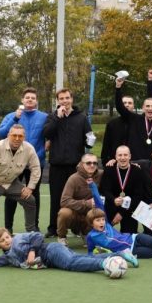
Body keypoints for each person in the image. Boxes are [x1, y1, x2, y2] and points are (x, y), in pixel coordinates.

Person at [43, 88, 93, 238]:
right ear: (58, 101)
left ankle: (77, 228)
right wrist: (57, 118)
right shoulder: (52, 117)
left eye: (67, 98)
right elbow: (46, 133)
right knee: (56, 197)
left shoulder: (81, 118)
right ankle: (53, 228)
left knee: (77, 197)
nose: (65, 101)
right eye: (61, 98)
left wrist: (90, 141)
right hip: (57, 165)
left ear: (72, 99)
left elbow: (89, 138)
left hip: (75, 166)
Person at [0, 88, 47, 236]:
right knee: (11, 194)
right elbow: (1, 133)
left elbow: (50, 137)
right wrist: (15, 118)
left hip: (36, 163)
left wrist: (39, 154)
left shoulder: (44, 117)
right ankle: (8, 227)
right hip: (14, 163)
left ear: (36, 101)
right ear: (22, 100)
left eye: (33, 98)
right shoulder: (12, 116)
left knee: (34, 194)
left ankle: (34, 226)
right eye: (27, 97)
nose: (30, 99)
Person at [0, 228, 131, 274]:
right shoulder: (8, 257)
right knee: (79, 258)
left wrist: (32, 251)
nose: (6, 241)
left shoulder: (18, 239)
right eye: (1, 241)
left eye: (7, 237)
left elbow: (37, 236)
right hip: (51, 261)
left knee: (71, 264)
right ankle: (119, 255)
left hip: (51, 251)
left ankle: (104, 264)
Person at [115, 77, 152, 161]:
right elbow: (120, 107)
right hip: (134, 163)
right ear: (143, 107)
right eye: (147, 106)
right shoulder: (134, 119)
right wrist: (118, 87)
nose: (150, 108)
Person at [99, 146, 148, 233]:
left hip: (129, 208)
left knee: (129, 235)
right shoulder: (109, 169)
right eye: (120, 155)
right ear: (116, 156)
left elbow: (138, 195)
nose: (122, 158)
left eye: (125, 155)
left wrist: (121, 213)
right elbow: (105, 190)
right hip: (111, 204)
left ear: (130, 156)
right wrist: (114, 200)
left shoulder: (137, 171)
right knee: (102, 233)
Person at [57, 153, 102, 246]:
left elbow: (117, 170)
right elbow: (64, 201)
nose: (92, 165)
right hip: (75, 214)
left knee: (102, 211)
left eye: (95, 163)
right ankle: (62, 237)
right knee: (64, 212)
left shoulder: (101, 175)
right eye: (88, 163)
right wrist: (87, 203)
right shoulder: (73, 178)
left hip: (91, 213)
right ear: (82, 164)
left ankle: (87, 234)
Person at [101, 92, 134, 165]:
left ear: (133, 106)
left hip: (135, 162)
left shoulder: (139, 122)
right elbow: (106, 144)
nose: (127, 105)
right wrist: (106, 161)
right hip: (114, 162)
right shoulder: (112, 124)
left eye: (130, 103)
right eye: (124, 103)